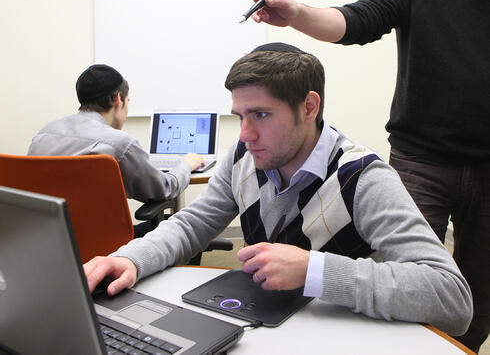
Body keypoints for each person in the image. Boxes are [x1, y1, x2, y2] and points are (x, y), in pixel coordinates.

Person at [249, 0, 489, 352]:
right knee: (406, 285)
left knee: (478, 296)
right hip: (423, 165)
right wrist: (297, 14)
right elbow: (355, 21)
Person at [84, 43, 472, 337]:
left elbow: (452, 297)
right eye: (241, 116)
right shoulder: (243, 158)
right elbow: (189, 227)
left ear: (309, 107)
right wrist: (131, 259)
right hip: (268, 332)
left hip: (342, 340)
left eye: (261, 115)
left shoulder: (363, 178)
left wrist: (314, 270)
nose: (245, 134)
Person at [28, 64, 204, 206]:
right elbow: (163, 189)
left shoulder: (44, 134)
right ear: (118, 99)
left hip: (48, 234)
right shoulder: (120, 144)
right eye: (128, 102)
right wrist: (186, 165)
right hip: (105, 237)